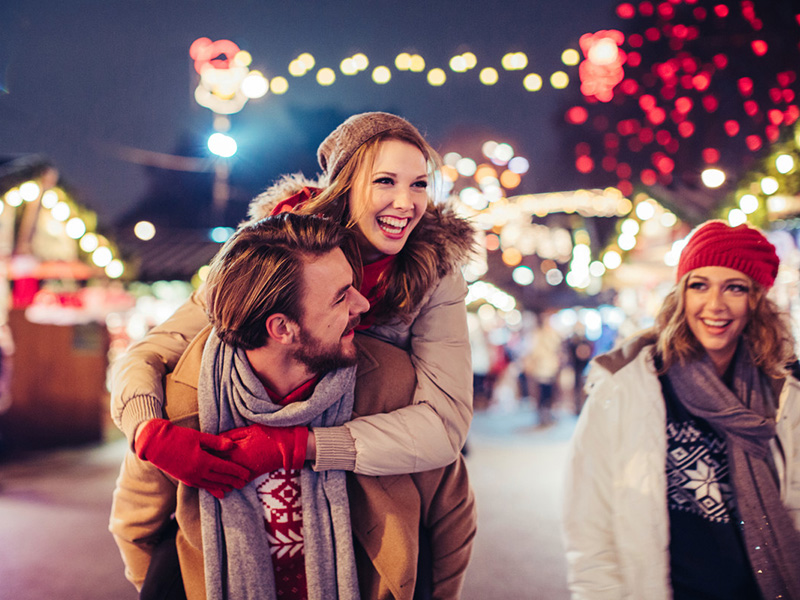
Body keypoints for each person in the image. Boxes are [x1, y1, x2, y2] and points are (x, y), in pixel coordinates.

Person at [109, 213, 476, 600]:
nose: (363, 303)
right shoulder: (185, 404)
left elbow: (451, 513)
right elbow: (134, 527)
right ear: (282, 328)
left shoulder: (389, 383)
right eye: (341, 297)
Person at [109, 111, 474, 489]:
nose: (406, 202)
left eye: (419, 184)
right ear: (344, 186)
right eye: (385, 181)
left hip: (369, 481)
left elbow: (445, 423)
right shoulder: (271, 252)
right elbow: (152, 352)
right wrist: (146, 431)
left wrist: (302, 445)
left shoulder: (434, 272)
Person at [562, 220, 800, 599]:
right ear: (681, 294)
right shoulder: (625, 386)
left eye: (735, 287)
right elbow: (589, 522)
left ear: (756, 300)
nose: (715, 304)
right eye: (699, 285)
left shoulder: (785, 391)